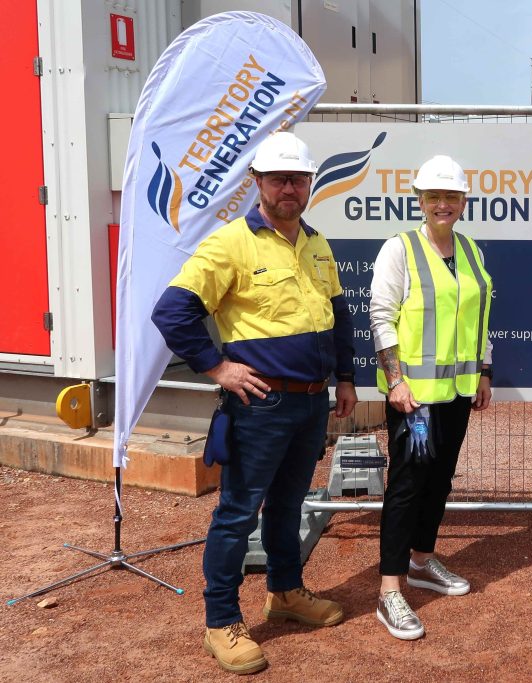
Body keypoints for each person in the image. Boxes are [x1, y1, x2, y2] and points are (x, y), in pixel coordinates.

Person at [152, 131, 358, 673]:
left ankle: (285, 594)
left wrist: (346, 378)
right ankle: (221, 621)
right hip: (261, 406)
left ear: (310, 183)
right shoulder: (230, 244)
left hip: (313, 403)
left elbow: (337, 316)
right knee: (237, 514)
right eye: (278, 179)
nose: (289, 188)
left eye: (298, 178)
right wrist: (217, 366)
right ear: (258, 183)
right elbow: (172, 311)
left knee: (289, 506)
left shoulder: (316, 242)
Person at [369, 154, 493, 640]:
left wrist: (484, 372)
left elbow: (479, 318)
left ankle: (422, 560)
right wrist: (396, 381)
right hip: (414, 400)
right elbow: (381, 317)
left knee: (439, 479)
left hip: (457, 393)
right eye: (433, 197)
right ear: (420, 201)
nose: (443, 204)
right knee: (407, 487)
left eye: (451, 197)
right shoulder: (399, 250)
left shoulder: (470, 250)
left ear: (463, 202)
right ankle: (389, 591)